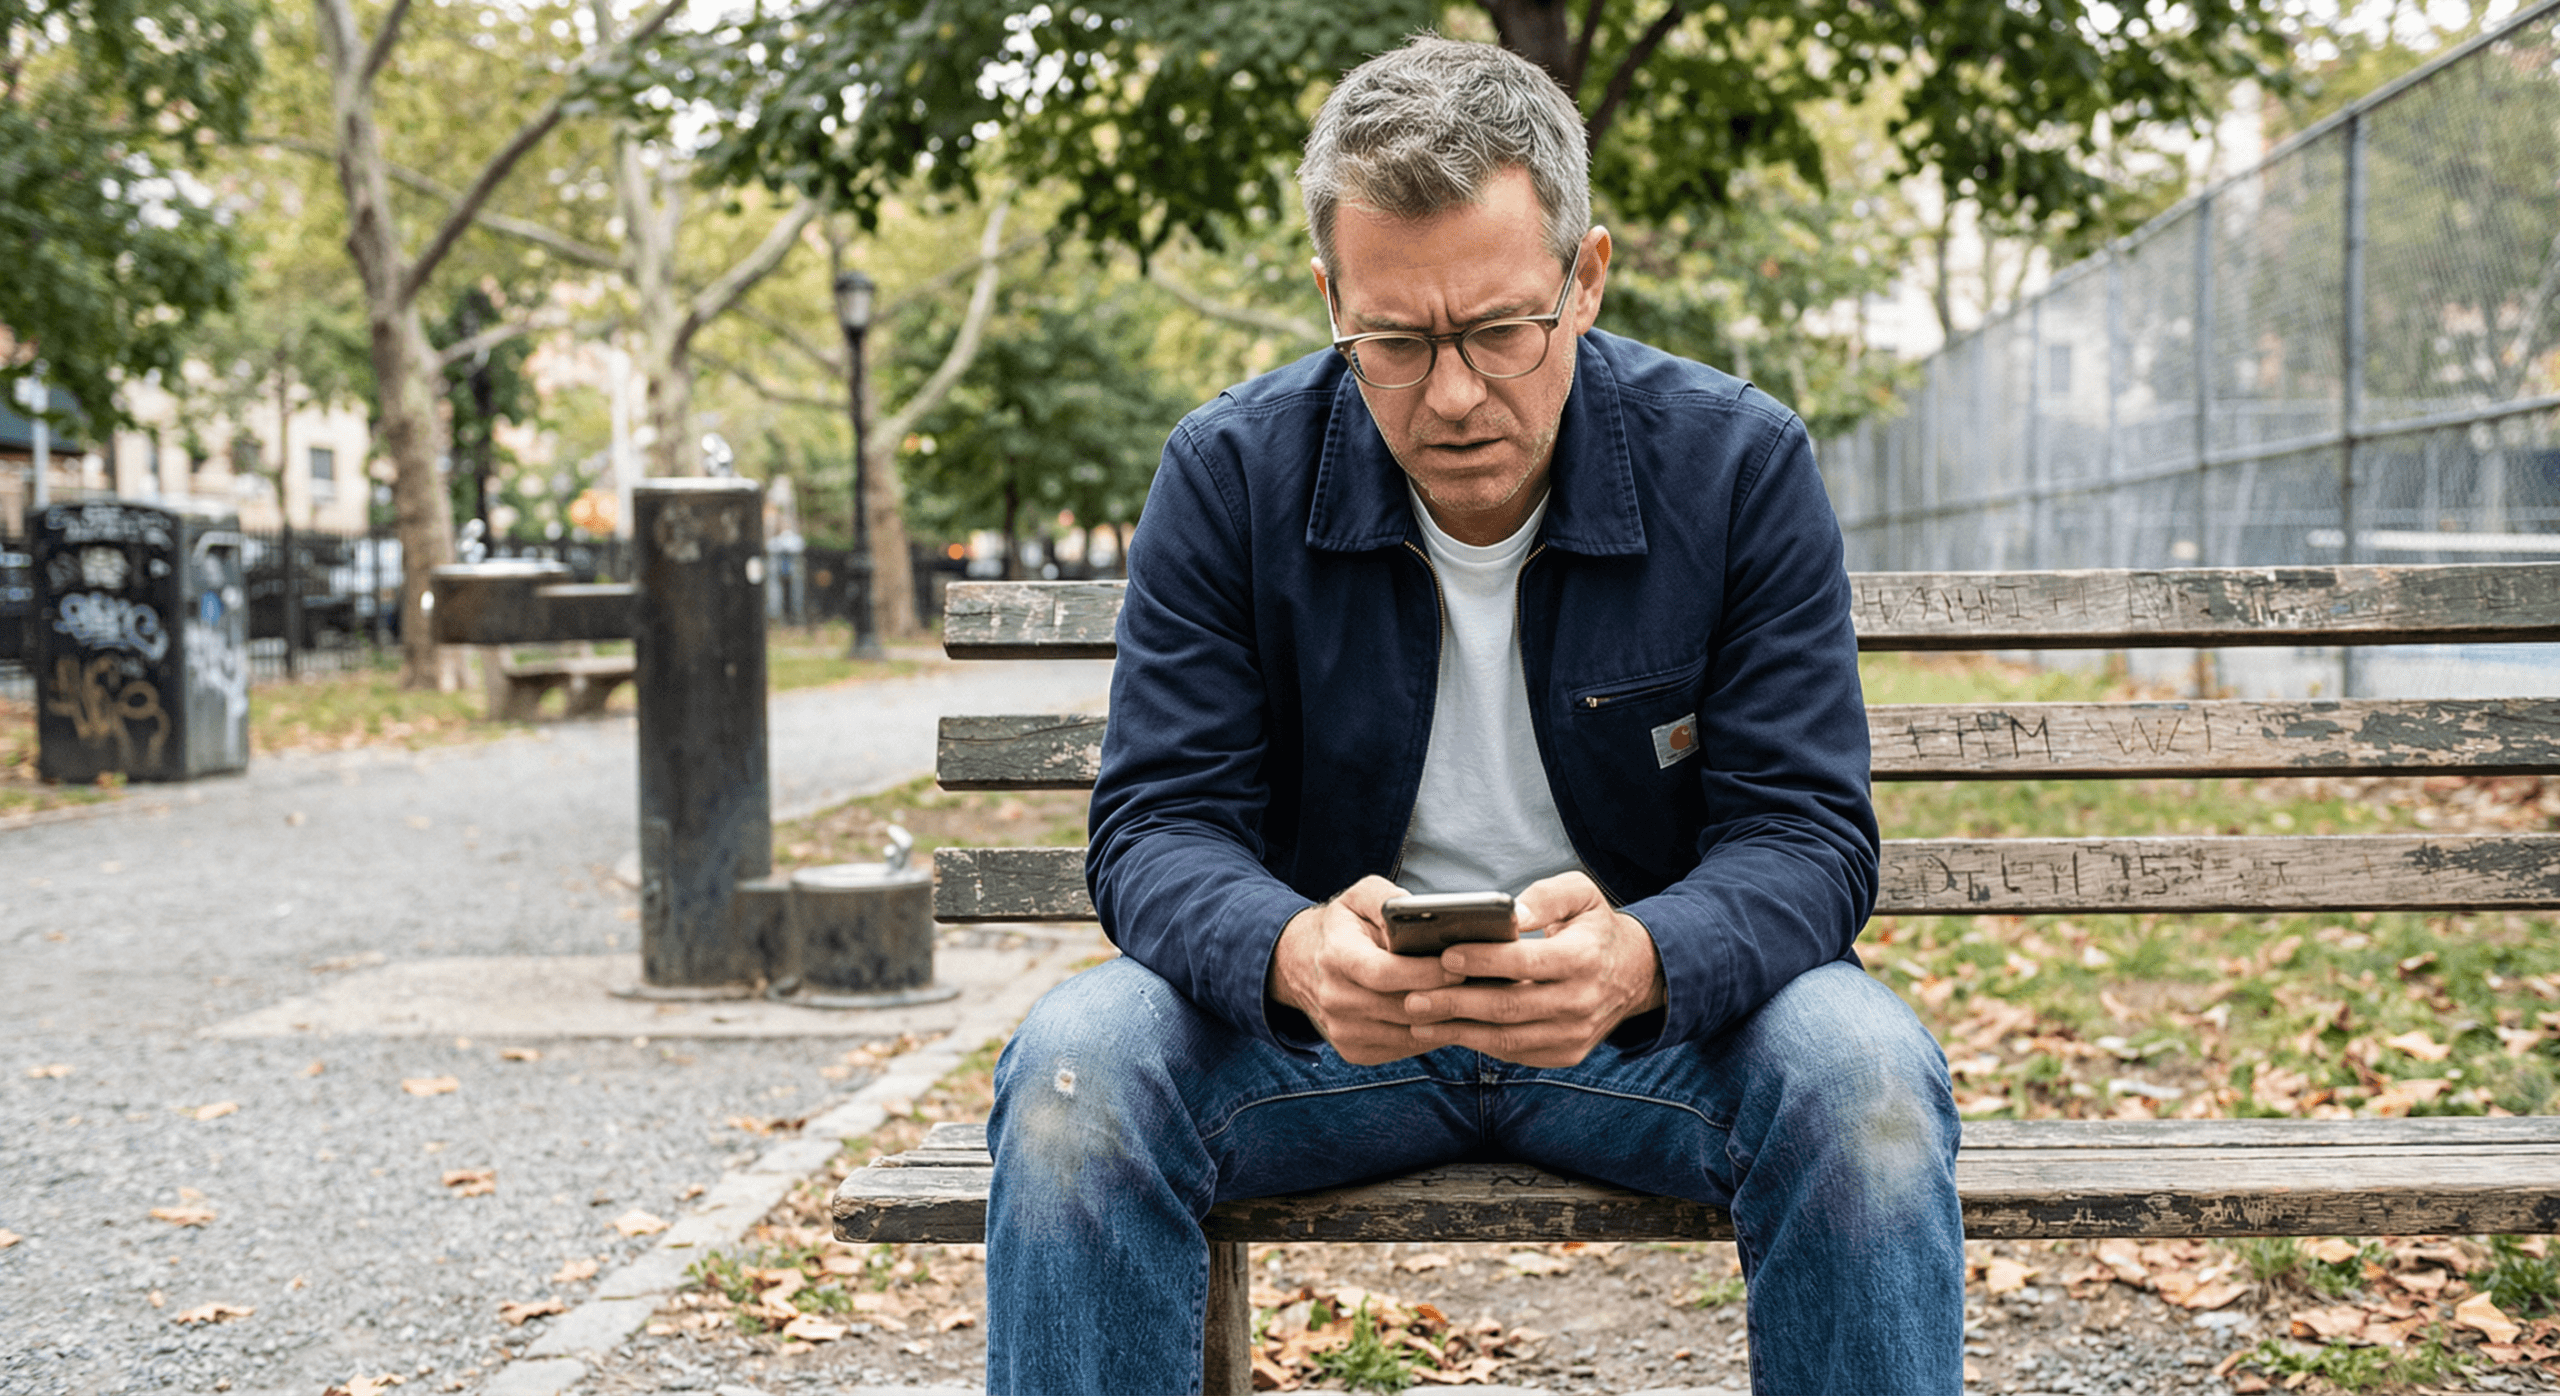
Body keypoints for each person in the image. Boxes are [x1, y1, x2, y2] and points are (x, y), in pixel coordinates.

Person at [983, 34, 1962, 1396]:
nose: (1452, 393)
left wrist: (1639, 960)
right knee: (1079, 1073)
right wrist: (1295, 953)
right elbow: (1156, 824)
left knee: (1862, 1077)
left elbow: (1807, 837)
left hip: (1647, 1036)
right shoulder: (1228, 473)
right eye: (1392, 339)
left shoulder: (1738, 465)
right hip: (1326, 1043)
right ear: (1330, 294)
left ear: (1588, 276)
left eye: (1503, 330)